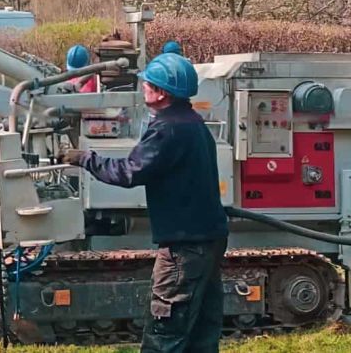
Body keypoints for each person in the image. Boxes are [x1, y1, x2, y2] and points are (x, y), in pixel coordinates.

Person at [58, 53, 229, 352]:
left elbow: (129, 172)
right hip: (209, 239)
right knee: (201, 334)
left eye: (147, 83)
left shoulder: (167, 129)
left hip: (183, 248)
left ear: (161, 92)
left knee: (164, 333)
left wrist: (85, 158)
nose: (143, 87)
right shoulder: (194, 123)